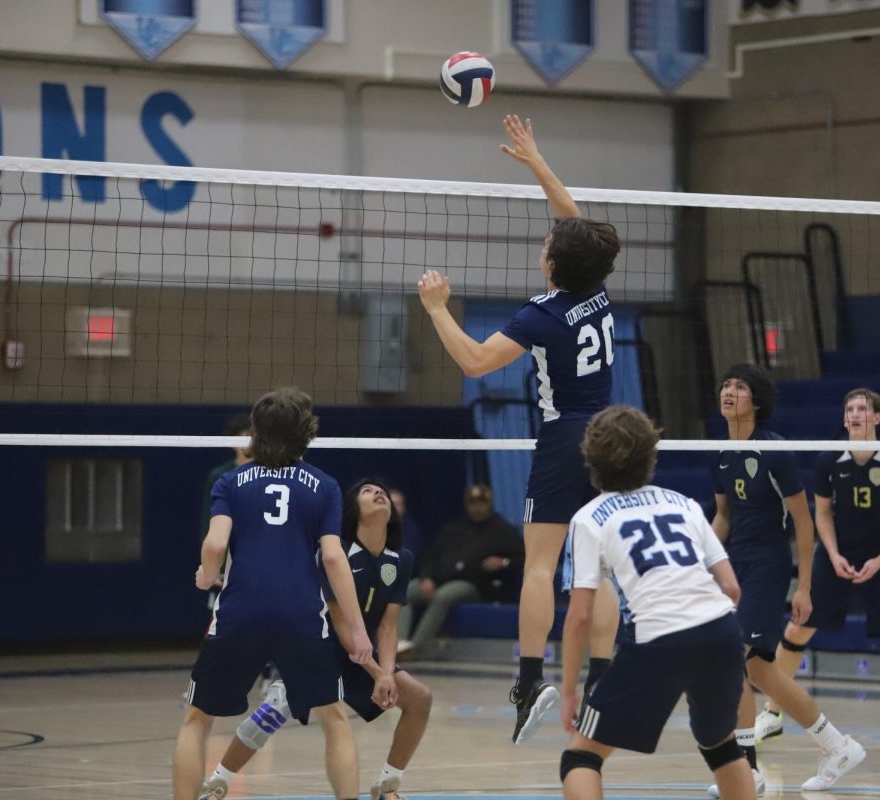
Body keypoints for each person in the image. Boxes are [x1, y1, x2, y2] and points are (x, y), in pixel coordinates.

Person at [416, 115, 620, 743]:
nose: (544, 247)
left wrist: (436, 309)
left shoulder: (542, 314)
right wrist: (537, 163)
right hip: (613, 438)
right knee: (603, 570)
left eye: (547, 247)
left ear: (555, 264)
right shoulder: (600, 289)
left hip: (564, 441)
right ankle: (606, 682)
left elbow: (475, 362)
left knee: (541, 566)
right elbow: (576, 223)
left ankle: (531, 680)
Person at [173, 387, 372, 800]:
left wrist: (206, 575)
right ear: (307, 433)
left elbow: (214, 545)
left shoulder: (230, 482)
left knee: (197, 719)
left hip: (240, 613)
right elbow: (334, 559)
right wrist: (357, 630)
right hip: (301, 614)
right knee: (334, 718)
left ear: (254, 433)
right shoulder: (325, 486)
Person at [557, 405, 756, 800]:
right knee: (721, 745)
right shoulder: (682, 503)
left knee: (581, 758)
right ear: (651, 454)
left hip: (658, 640)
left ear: (591, 459)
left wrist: (568, 691)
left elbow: (579, 616)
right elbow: (731, 589)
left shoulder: (588, 518)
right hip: (721, 632)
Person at [199, 477, 432, 800]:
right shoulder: (334, 553)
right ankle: (217, 783)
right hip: (316, 646)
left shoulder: (400, 560)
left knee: (419, 699)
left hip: (363, 656)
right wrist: (378, 674)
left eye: (382, 491)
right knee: (275, 709)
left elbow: (389, 626)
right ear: (353, 510)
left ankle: (388, 786)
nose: (379, 493)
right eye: (368, 490)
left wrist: (388, 673)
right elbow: (339, 622)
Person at [710, 364, 865, 797]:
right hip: (735, 563)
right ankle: (838, 746)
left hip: (767, 564)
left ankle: (747, 770)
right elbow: (723, 517)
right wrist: (700, 557)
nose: (729, 392)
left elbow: (802, 520)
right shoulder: (717, 451)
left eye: (739, 387)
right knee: (761, 670)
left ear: (756, 401)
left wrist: (804, 585)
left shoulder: (774, 450)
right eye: (726, 385)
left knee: (733, 660)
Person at [778, 388, 880, 759]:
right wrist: (831, 554)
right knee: (797, 628)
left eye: (863, 408)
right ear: (845, 419)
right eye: (850, 409)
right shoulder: (829, 459)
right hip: (836, 558)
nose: (856, 413)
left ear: (877, 418)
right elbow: (823, 514)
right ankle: (771, 714)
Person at [397, 484, 524, 655]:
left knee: (444, 596)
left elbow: (522, 559)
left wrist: (504, 562)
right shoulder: (454, 529)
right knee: (403, 591)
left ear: (489, 504)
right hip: (438, 579)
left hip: (473, 584)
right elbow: (431, 556)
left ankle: (416, 647)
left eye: (481, 503)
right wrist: (427, 577)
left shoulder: (504, 531)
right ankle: (399, 642)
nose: (477, 508)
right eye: (472, 504)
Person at [198, 413, 251, 610]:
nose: (248, 443)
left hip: (256, 558)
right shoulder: (220, 476)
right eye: (243, 437)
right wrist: (213, 566)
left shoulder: (272, 473)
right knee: (221, 617)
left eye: (253, 436)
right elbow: (208, 523)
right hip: (226, 557)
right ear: (231, 441)